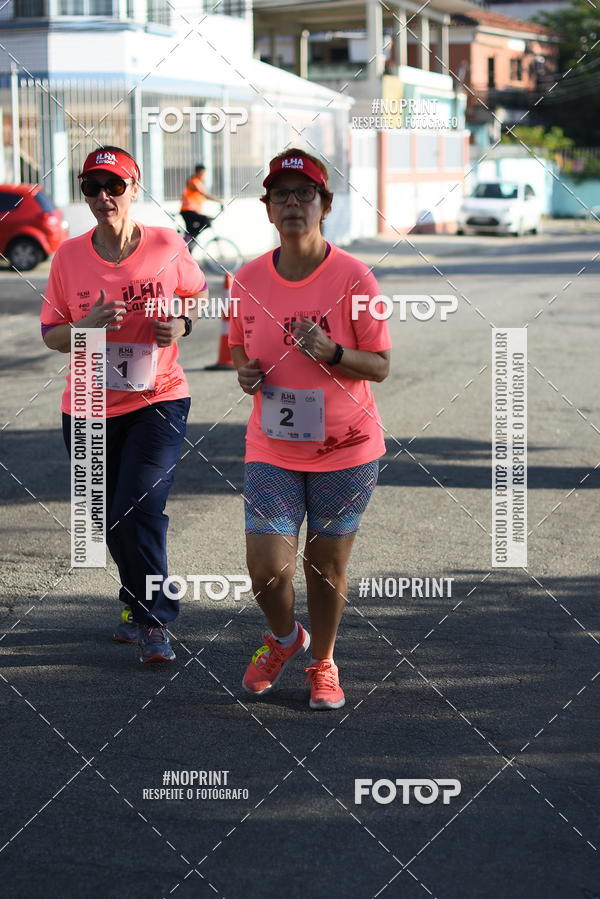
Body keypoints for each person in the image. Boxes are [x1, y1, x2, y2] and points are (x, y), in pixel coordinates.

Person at [229, 148, 391, 710]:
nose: (293, 204)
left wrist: (334, 351)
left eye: (305, 195)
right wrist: (245, 375)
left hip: (345, 448)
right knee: (267, 568)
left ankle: (322, 661)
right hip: (271, 446)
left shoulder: (353, 276)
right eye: (282, 196)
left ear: (325, 205)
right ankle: (283, 638)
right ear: (267, 209)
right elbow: (237, 350)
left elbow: (381, 365)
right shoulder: (246, 279)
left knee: (325, 566)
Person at [40, 145, 208, 663]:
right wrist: (85, 328)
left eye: (115, 186)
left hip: (157, 398)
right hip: (88, 403)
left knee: (140, 505)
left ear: (135, 188)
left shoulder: (165, 243)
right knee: (105, 520)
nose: (104, 197)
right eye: (92, 187)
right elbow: (51, 334)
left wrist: (181, 324)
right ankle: (137, 598)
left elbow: (197, 296)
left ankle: (155, 619)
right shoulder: (69, 256)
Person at [180, 163, 223, 248]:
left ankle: (189, 241)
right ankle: (190, 237)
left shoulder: (198, 183)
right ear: (197, 172)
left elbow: (204, 197)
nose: (203, 175)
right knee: (206, 221)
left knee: (190, 239)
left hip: (191, 211)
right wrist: (220, 201)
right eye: (202, 173)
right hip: (188, 211)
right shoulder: (193, 181)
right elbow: (204, 194)